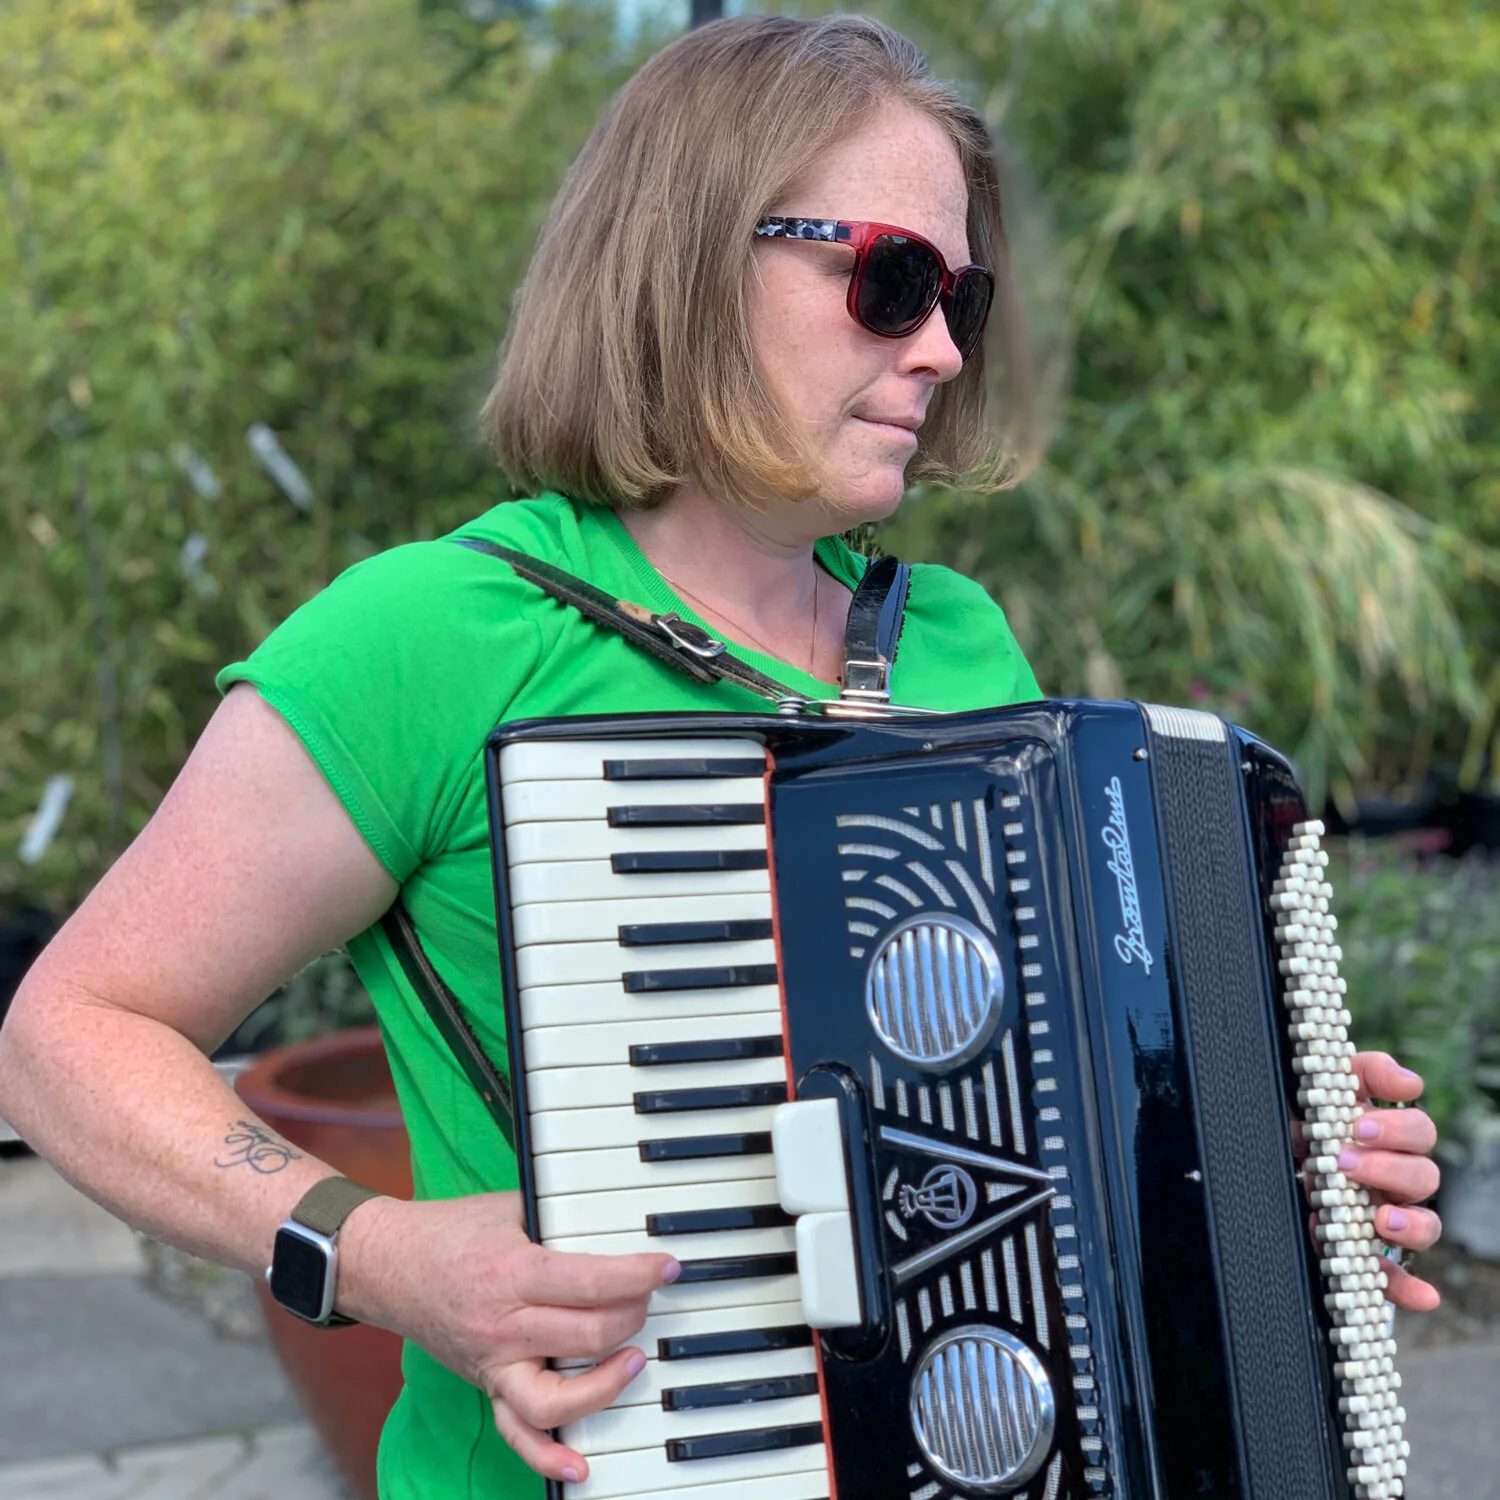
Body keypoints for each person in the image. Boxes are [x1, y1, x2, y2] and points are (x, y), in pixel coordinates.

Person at [0, 13, 1442, 1499]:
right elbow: (68, 1037)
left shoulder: (958, 645)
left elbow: (1021, 1131)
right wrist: (376, 1251)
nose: (942, 347)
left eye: (964, 294)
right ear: (690, 256)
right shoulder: (437, 635)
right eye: (890, 280)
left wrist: (1267, 1172)